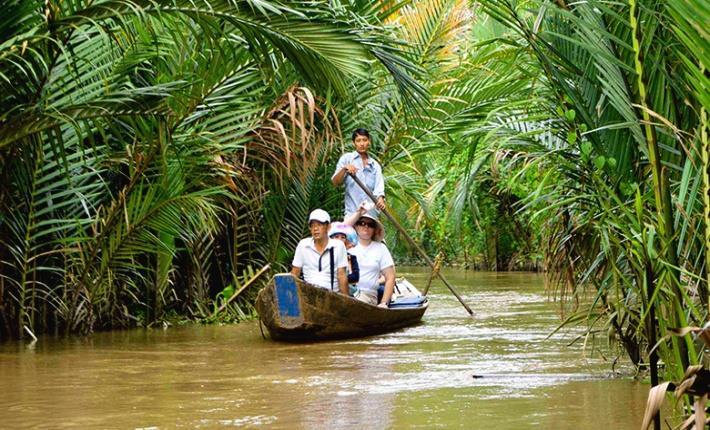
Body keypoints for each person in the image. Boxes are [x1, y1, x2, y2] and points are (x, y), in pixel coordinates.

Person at [344, 206, 395, 308]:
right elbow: (338, 228)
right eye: (362, 223)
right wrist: (358, 212)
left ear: (374, 230)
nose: (366, 227)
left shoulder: (381, 248)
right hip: (346, 292)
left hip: (368, 296)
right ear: (355, 226)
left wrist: (384, 303)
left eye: (370, 225)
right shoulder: (346, 246)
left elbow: (390, 277)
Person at [290, 209, 349, 295]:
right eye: (312, 225)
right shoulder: (303, 245)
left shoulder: (338, 246)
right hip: (308, 294)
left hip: (332, 295)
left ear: (328, 227)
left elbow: (342, 275)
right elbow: (295, 272)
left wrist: (346, 302)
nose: (315, 229)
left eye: (319, 224)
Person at [331, 128, 386, 217]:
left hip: (370, 217)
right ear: (354, 143)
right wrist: (344, 169)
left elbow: (379, 189)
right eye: (358, 141)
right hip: (352, 215)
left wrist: (381, 199)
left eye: (364, 140)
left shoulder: (375, 166)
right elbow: (335, 182)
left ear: (369, 142)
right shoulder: (347, 159)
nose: (362, 144)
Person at [328, 222, 360, 288]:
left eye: (343, 237)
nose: (340, 240)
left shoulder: (351, 257)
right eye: (336, 237)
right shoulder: (324, 253)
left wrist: (337, 278)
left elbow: (355, 277)